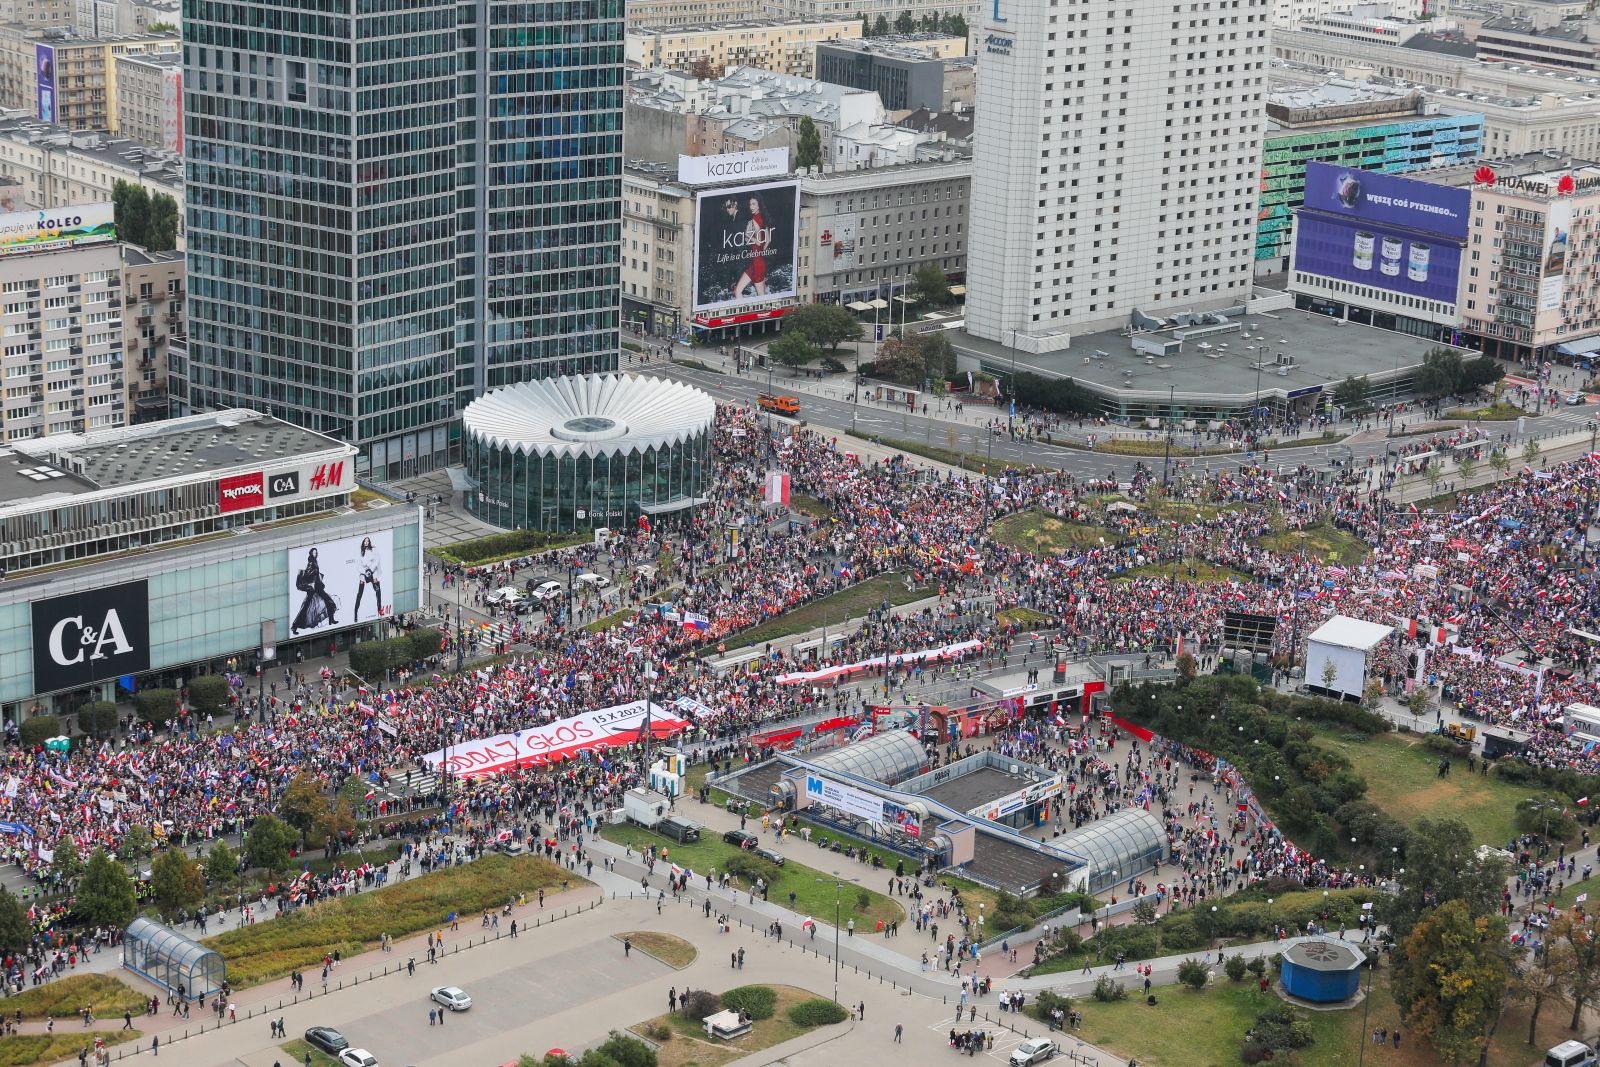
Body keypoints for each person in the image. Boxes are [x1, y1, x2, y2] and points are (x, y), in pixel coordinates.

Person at [732, 194, 771, 299]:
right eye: (750, 204)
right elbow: (767, 241)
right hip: (756, 263)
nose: (751, 207)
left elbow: (759, 242)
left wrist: (748, 236)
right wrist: (760, 253)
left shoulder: (755, 219)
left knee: (761, 298)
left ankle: (763, 313)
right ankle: (746, 312)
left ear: (759, 205)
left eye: (754, 204)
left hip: (757, 264)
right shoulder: (763, 218)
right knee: (737, 291)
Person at [290, 548, 338, 634]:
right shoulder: (311, 562)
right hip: (312, 588)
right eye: (313, 553)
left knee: (329, 601)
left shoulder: (315, 561)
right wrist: (314, 572)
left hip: (317, 587)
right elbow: (308, 574)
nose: (315, 554)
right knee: (305, 608)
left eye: (316, 552)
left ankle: (331, 619)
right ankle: (294, 627)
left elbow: (315, 575)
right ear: (311, 553)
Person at [352, 536, 384, 622]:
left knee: (377, 589)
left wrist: (371, 568)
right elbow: (358, 565)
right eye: (365, 541)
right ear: (363, 542)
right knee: (360, 593)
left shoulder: (373, 550)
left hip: (373, 572)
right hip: (364, 573)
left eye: (368, 541)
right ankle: (355, 612)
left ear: (369, 542)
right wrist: (365, 571)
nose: (366, 542)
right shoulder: (360, 552)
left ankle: (379, 608)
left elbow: (377, 559)